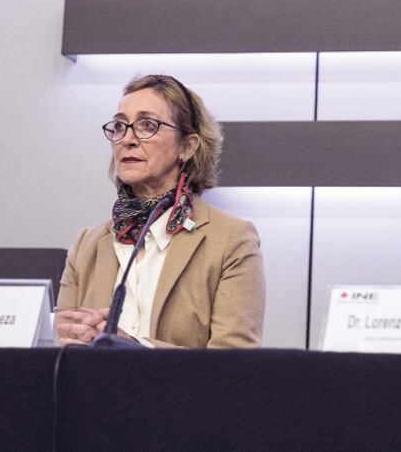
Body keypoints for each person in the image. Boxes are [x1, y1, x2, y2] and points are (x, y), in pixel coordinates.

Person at [56, 74, 265, 348]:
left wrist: (136, 349)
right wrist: (72, 341)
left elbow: (233, 362)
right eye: (119, 126)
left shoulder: (232, 241)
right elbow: (59, 345)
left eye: (147, 125)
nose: (127, 139)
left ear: (187, 146)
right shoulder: (87, 245)